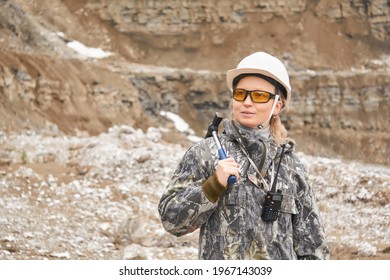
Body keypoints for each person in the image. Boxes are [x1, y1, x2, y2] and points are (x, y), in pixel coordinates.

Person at [158, 51, 330, 260]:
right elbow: (171, 220)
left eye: (258, 96)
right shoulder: (205, 154)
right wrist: (213, 186)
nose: (247, 102)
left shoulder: (291, 166)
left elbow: (313, 248)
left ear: (277, 105)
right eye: (241, 94)